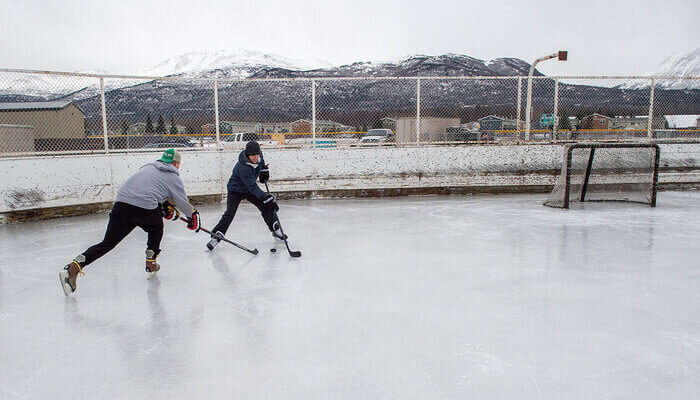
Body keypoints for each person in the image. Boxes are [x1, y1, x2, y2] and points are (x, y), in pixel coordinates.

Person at [59, 148, 202, 296]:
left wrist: (164, 205)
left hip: (121, 205)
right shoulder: (173, 176)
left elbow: (151, 189)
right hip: (144, 207)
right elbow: (181, 201)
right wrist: (193, 216)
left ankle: (74, 267)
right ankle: (151, 262)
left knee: (107, 243)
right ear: (176, 163)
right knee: (156, 228)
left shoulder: (148, 168)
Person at [207, 140, 285, 251]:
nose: (255, 157)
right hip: (236, 190)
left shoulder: (259, 156)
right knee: (230, 213)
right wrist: (265, 197)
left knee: (265, 206)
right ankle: (216, 236)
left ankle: (275, 229)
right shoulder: (242, 167)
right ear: (247, 155)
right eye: (252, 155)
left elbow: (261, 164)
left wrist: (264, 171)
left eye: (257, 154)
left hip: (249, 189)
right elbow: (252, 187)